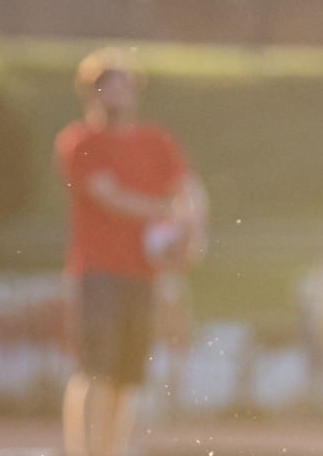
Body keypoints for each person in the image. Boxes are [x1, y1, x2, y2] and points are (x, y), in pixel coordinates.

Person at [55, 48, 207, 456]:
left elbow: (190, 190)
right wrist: (167, 213)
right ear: (91, 93)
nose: (115, 94)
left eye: (122, 86)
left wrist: (192, 230)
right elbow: (108, 195)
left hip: (143, 273)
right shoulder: (81, 141)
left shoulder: (156, 141)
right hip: (97, 270)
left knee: (127, 376)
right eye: (107, 86)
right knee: (95, 369)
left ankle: (111, 450)